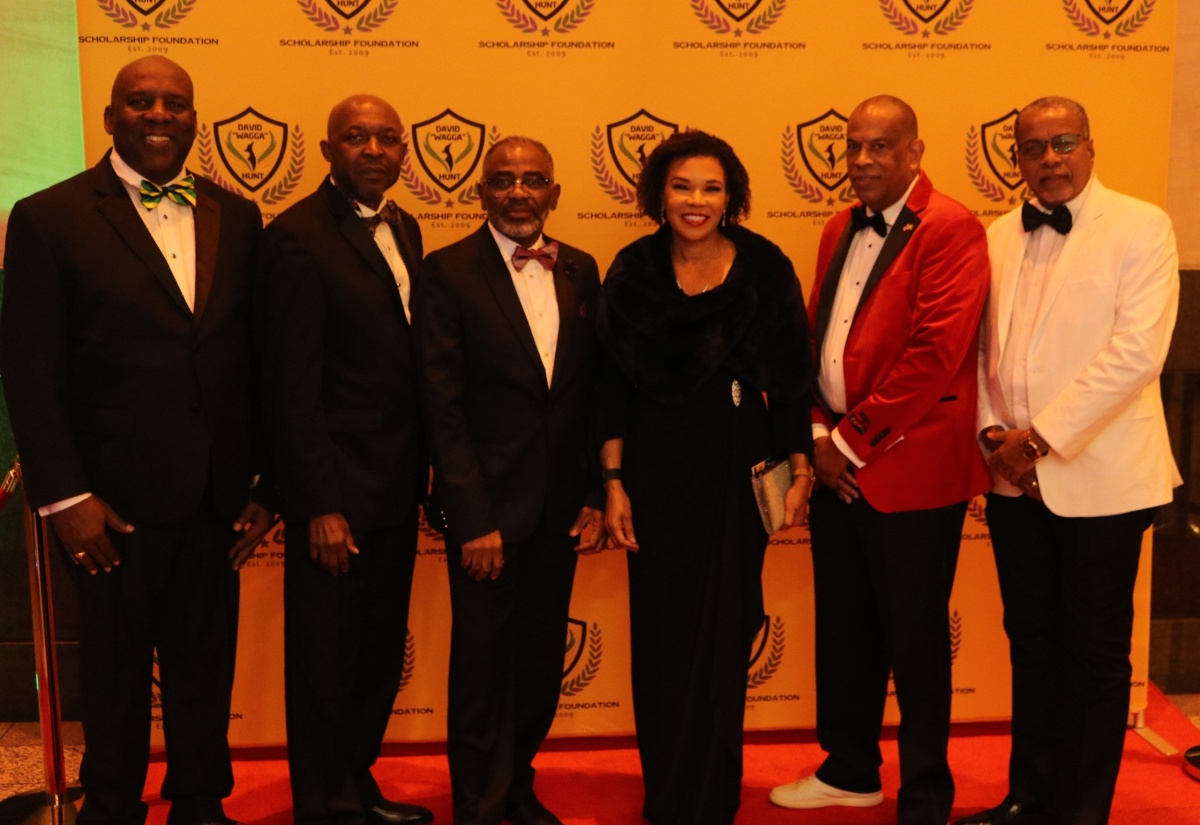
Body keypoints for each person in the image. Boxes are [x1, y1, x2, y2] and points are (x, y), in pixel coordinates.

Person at [0, 56, 272, 825]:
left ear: (194, 118)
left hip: (217, 496)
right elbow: (29, 369)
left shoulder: (237, 215)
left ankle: (199, 801)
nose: (160, 114)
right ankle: (112, 803)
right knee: (115, 671)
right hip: (107, 501)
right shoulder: (48, 216)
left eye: (175, 104)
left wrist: (262, 486)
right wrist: (65, 495)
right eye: (141, 101)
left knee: (203, 664)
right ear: (112, 115)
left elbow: (257, 358)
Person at [769, 95, 991, 825]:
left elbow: (936, 355)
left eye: (879, 148)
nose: (861, 161)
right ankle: (850, 768)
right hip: (836, 463)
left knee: (915, 636)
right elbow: (815, 337)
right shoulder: (838, 225)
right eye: (852, 147)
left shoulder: (952, 228)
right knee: (845, 626)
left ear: (914, 153)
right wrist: (814, 431)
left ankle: (926, 792)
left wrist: (849, 443)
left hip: (910, 468)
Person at [960, 96, 1180, 825]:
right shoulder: (997, 233)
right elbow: (985, 349)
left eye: (1062, 143)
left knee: (1093, 653)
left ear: (1090, 145)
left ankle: (1081, 811)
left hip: (1105, 478)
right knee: (1032, 643)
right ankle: (1028, 796)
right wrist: (996, 433)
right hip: (1013, 478)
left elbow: (1136, 354)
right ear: (1015, 158)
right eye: (1032, 147)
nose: (1048, 159)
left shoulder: (1142, 225)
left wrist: (1040, 436)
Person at [598, 130, 814, 825]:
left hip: (740, 465)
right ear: (659, 194)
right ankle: (667, 791)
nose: (697, 201)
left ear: (733, 197)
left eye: (712, 187)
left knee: (726, 629)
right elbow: (608, 388)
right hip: (656, 470)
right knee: (662, 635)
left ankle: (714, 793)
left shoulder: (764, 265)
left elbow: (790, 377)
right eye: (683, 186)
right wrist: (612, 480)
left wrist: (799, 466)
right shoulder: (632, 270)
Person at [413, 136, 606, 825]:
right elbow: (442, 402)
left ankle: (517, 783)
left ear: (553, 192)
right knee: (481, 668)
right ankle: (480, 803)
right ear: (481, 193)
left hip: (559, 511)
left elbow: (591, 394)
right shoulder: (448, 271)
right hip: (486, 513)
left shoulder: (582, 270)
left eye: (532, 180)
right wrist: (472, 516)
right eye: (503, 181)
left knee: (537, 666)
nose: (518, 192)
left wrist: (591, 494)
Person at [255, 95, 432, 825]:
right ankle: (323, 804)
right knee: (326, 661)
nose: (373, 149)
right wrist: (317, 503)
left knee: (377, 655)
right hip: (335, 495)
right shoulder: (296, 236)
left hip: (396, 485)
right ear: (327, 150)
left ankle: (355, 784)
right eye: (355, 137)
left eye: (387, 138)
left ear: (401, 153)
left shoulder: (407, 226)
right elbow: (288, 386)